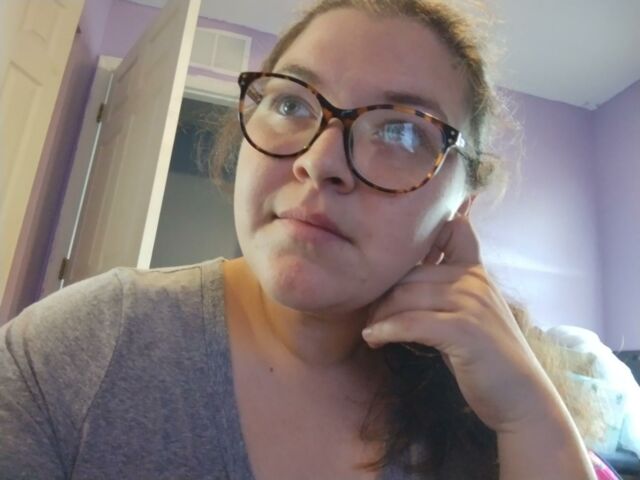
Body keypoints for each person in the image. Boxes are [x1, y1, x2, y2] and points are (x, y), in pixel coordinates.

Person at [0, 0, 613, 478]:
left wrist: (531, 418)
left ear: (461, 210)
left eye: (401, 132)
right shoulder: (80, 350)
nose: (320, 163)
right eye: (292, 104)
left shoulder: (492, 411)